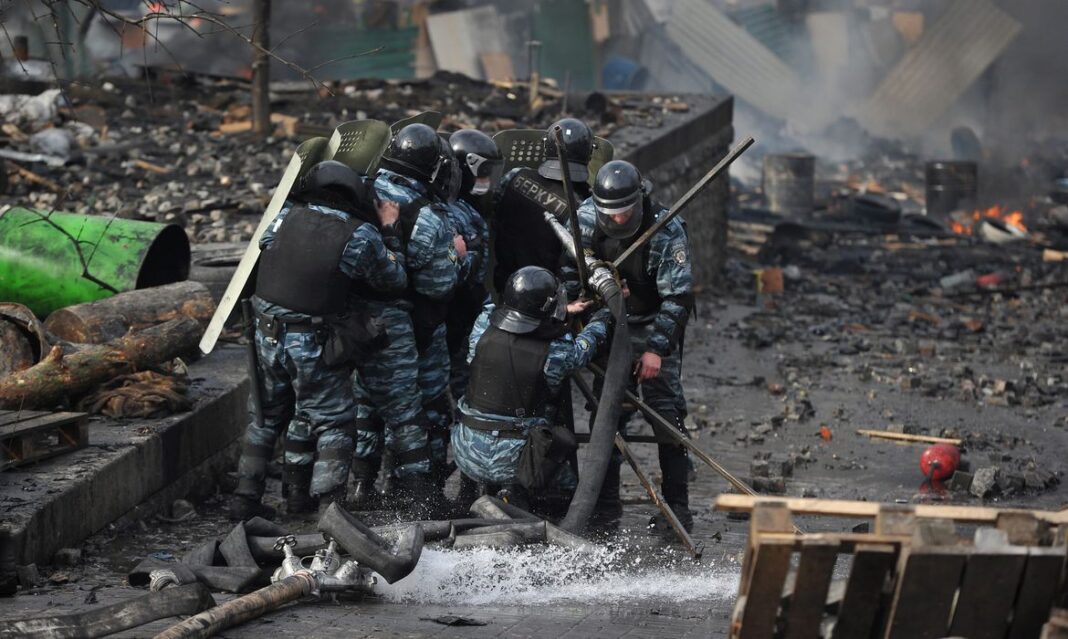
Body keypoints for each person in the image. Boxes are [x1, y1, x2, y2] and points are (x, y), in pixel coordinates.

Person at [230, 160, 407, 519]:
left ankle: (244, 500)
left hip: (265, 334)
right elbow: (393, 280)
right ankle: (329, 506)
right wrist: (390, 230)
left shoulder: (284, 217)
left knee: (265, 417)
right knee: (334, 422)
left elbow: (265, 246)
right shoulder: (358, 234)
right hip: (309, 340)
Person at [569, 160, 695, 529]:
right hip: (608, 320)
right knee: (606, 412)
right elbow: (568, 268)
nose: (619, 221)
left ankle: (677, 508)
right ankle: (605, 507)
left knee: (666, 414)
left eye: (626, 213)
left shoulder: (666, 230)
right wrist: (590, 293)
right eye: (612, 214)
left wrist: (657, 349)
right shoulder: (586, 218)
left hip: (655, 322)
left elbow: (678, 297)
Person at [348, 123, 463, 513]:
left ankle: (360, 488)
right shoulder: (429, 217)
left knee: (365, 405)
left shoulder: (361, 188)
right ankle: (417, 494)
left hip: (351, 323)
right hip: (409, 326)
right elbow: (437, 286)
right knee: (417, 412)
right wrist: (460, 258)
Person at [452, 266, 611, 508]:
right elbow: (583, 348)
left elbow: (522, 327)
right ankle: (524, 498)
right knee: (562, 441)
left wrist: (564, 310)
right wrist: (603, 314)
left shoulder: (483, 325)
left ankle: (471, 496)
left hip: (465, 452)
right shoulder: (556, 350)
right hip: (510, 465)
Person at [492, 118, 593, 294]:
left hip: (505, 284)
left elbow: (493, 212)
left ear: (547, 146)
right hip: (545, 302)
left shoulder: (515, 176)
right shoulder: (581, 209)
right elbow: (573, 271)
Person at [444, 129, 501, 401]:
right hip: (451, 313)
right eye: (483, 172)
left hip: (467, 310)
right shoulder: (450, 212)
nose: (487, 181)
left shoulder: (471, 207)